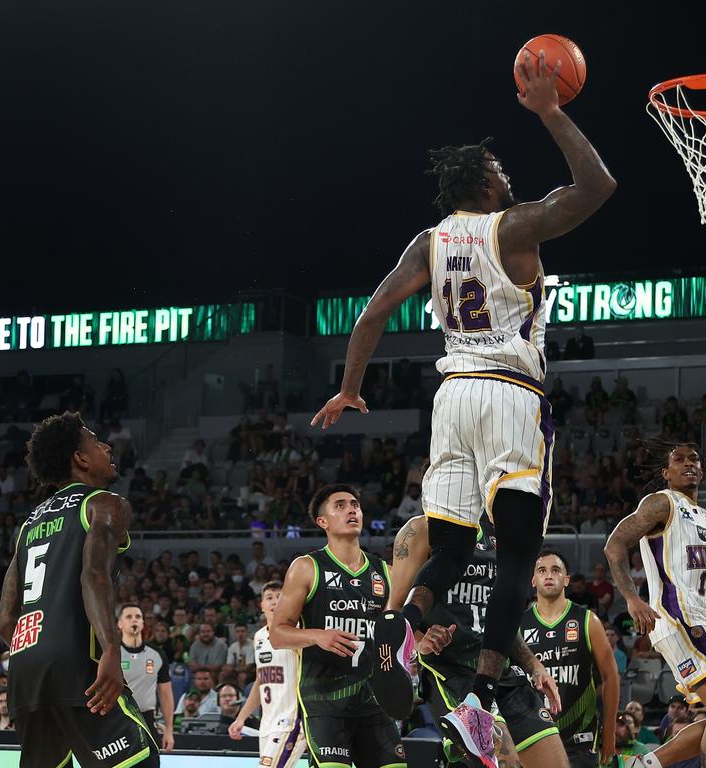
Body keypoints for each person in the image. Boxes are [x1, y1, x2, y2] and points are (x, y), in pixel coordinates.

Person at [310, 49, 616, 767]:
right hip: (510, 397)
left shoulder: (428, 241)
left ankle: (401, 629)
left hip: (449, 400)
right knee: (514, 553)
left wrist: (352, 387)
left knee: (450, 549)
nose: (510, 178)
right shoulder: (513, 228)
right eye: (502, 172)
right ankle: (480, 698)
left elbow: (371, 314)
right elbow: (598, 185)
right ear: (484, 183)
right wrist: (550, 112)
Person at [0, 412, 159, 768]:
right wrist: (112, 650)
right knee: (141, 762)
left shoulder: (28, 524)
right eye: (96, 441)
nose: (107, 446)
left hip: (26, 671)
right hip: (74, 663)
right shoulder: (104, 503)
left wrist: (40, 654)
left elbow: (4, 621)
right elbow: (93, 576)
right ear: (80, 458)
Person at [603, 441, 706, 768]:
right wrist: (633, 598)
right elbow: (615, 544)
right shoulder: (662, 503)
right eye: (679, 459)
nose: (688, 463)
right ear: (667, 472)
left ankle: (638, 765)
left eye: (694, 458)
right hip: (676, 616)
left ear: (702, 470)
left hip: (702, 619)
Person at [389, 514, 566, 768]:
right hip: (452, 671)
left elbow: (500, 618)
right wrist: (418, 641)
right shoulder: (422, 529)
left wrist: (533, 665)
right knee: (504, 763)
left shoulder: (498, 534)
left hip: (500, 669)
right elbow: (394, 610)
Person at [268, 485, 403, 768]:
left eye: (355, 504)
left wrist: (422, 640)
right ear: (323, 522)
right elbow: (277, 634)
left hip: (374, 701)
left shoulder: (385, 572)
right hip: (324, 702)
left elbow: (400, 629)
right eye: (340, 505)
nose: (352, 509)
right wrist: (317, 635)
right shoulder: (307, 567)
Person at [228, 581, 307, 768]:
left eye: (280, 597)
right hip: (268, 724)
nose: (274, 601)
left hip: (292, 721)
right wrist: (241, 717)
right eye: (269, 598)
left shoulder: (299, 632)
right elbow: (260, 681)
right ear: (261, 606)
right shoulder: (259, 637)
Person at [118, 604, 175, 751]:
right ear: (120, 623)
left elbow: (166, 694)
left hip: (147, 719)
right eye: (129, 617)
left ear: (143, 623)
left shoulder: (156, 654)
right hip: (118, 719)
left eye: (138, 617)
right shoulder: (111, 654)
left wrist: (169, 730)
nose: (134, 620)